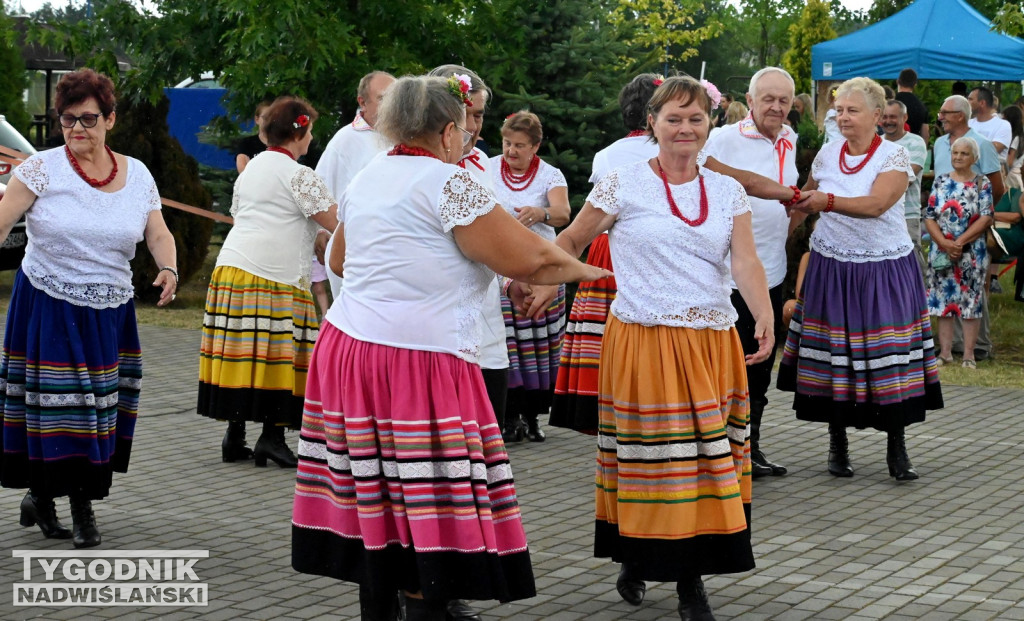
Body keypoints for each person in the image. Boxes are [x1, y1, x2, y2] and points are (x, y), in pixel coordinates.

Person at [290, 74, 610, 621]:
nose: (468, 141)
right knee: (429, 502)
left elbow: (341, 262)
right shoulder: (449, 183)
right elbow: (535, 258)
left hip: (348, 350)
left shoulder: (371, 175)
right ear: (445, 132)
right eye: (464, 131)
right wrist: (594, 271)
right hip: (417, 358)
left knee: (379, 495)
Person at [548, 75, 772, 621]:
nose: (685, 128)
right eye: (673, 118)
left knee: (702, 461)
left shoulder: (727, 191)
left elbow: (743, 260)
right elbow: (573, 239)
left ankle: (691, 581)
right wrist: (542, 277)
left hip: (712, 342)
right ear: (651, 123)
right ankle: (638, 555)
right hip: (643, 340)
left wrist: (762, 312)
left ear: (709, 126)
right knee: (655, 460)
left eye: (696, 119)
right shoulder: (621, 183)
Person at [0, 68, 177, 548]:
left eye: (88, 119)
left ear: (110, 120)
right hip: (47, 304)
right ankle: (78, 510)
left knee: (97, 408)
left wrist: (169, 268)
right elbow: (2, 220)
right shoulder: (40, 169)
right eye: (67, 120)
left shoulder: (137, 173)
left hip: (109, 310)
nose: (77, 129)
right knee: (60, 407)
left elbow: (156, 231)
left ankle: (44, 498)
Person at [780, 77, 943, 483]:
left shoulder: (894, 157)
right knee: (836, 352)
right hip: (831, 266)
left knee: (886, 354)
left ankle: (897, 445)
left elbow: (876, 204)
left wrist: (825, 202)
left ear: (876, 116)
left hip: (883, 269)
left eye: (852, 110)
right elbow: (805, 197)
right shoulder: (827, 155)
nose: (843, 116)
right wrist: (779, 231)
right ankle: (837, 442)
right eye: (839, 110)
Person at [197, 96, 338, 469]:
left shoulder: (255, 168)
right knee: (280, 356)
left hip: (232, 269)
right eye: (310, 132)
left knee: (245, 353)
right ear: (300, 132)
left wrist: (316, 238)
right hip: (273, 275)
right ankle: (272, 438)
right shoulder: (300, 175)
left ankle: (235, 435)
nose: (311, 140)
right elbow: (337, 221)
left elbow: (259, 215)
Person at [426, 63, 503, 621]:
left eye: (480, 115)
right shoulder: (388, 160)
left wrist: (526, 277)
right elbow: (341, 250)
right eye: (467, 114)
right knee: (423, 473)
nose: (475, 125)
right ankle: (413, 594)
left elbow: (501, 240)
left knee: (469, 472)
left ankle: (447, 589)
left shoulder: (480, 167)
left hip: (484, 340)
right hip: (423, 347)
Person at [703, 66, 800, 480]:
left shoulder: (791, 140)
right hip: (729, 274)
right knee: (729, 363)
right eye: (769, 99)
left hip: (771, 271)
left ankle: (749, 447)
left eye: (784, 101)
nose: (776, 107)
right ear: (752, 98)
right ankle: (716, 449)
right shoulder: (723, 139)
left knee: (761, 364)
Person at [551, 73, 660, 435]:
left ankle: (604, 409)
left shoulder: (607, 155)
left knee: (605, 337)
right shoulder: (675, 149)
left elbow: (596, 214)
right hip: (650, 250)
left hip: (606, 249)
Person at [490, 111, 571, 443]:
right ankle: (509, 418)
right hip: (502, 269)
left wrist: (542, 213)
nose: (511, 151)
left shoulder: (551, 175)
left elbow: (564, 214)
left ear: (536, 146)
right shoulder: (488, 167)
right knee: (509, 345)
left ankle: (533, 417)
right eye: (508, 143)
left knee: (539, 347)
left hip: (541, 272)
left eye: (520, 145)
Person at [934, 94, 1004, 360]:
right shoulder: (940, 143)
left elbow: (997, 187)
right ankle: (950, 346)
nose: (940, 116)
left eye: (944, 112)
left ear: (960, 115)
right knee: (946, 283)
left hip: (973, 227)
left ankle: (980, 345)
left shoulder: (982, 145)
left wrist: (979, 216)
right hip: (944, 230)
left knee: (972, 286)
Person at [316, 71, 396, 298]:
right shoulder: (345, 140)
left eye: (394, 97)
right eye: (382, 98)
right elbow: (319, 188)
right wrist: (321, 230)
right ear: (362, 102)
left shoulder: (405, 137)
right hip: (355, 251)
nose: (391, 104)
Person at [923, 137, 993, 370]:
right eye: (955, 153)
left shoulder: (982, 183)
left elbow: (986, 217)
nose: (958, 157)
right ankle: (945, 353)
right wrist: (944, 242)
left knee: (970, 302)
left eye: (964, 153)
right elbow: (930, 215)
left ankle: (969, 355)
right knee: (943, 301)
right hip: (941, 250)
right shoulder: (941, 181)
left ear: (974, 158)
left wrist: (959, 243)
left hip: (971, 252)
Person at [882, 99, 928, 269]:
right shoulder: (875, 143)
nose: (888, 121)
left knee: (912, 266)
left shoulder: (915, 143)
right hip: (878, 216)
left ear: (905, 117)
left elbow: (903, 181)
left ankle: (919, 296)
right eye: (884, 117)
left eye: (893, 117)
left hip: (906, 215)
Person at [968, 86, 1012, 162]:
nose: (967, 102)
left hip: (990, 172)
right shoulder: (968, 123)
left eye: (970, 99)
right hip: (966, 172)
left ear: (982, 103)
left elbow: (991, 150)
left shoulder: (1003, 125)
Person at [895, 68, 929, 143]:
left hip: (893, 145)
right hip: (913, 146)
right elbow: (925, 134)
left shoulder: (891, 102)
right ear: (915, 85)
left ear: (898, 81)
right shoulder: (921, 106)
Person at [235, 101, 270, 173]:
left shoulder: (284, 144)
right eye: (266, 117)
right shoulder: (246, 144)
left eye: (274, 117)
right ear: (257, 119)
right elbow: (243, 174)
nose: (270, 121)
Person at [1003, 105, 1023, 190]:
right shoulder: (1018, 136)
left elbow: (1009, 162)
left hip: (1011, 176)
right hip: (1014, 174)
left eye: (1004, 118)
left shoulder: (1016, 138)